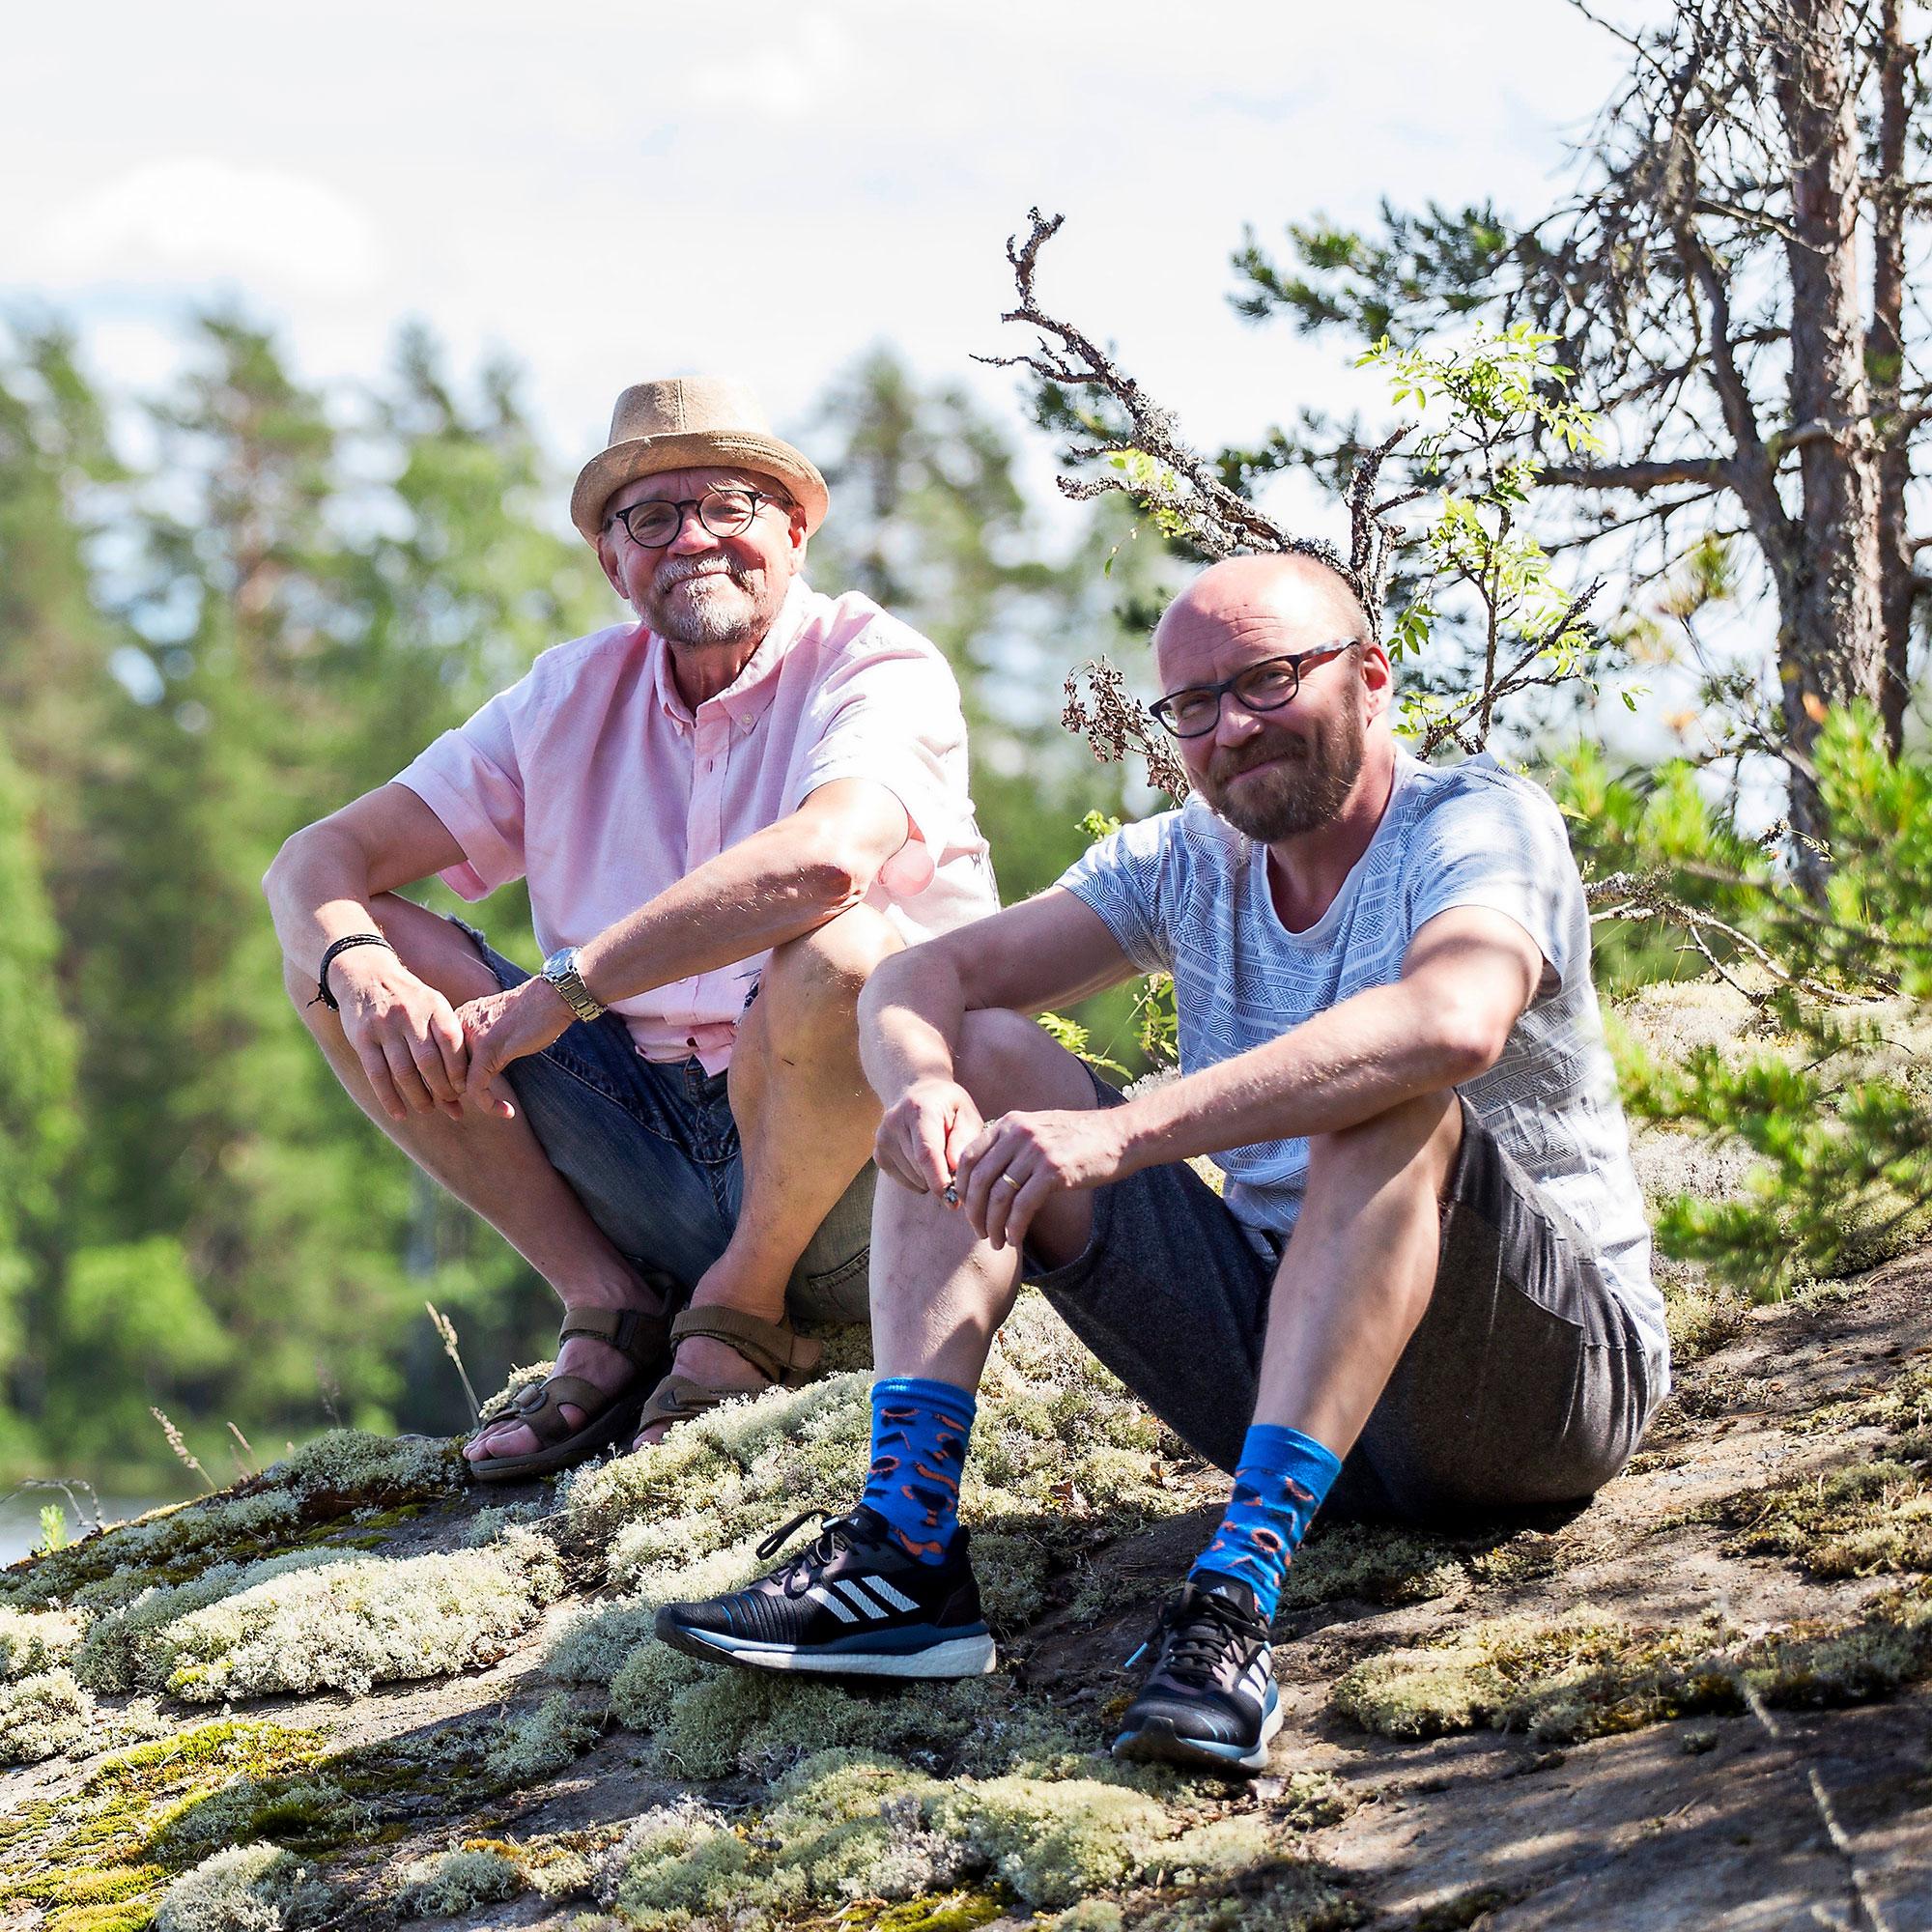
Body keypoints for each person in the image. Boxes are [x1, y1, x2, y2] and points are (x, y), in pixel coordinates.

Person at [653, 549, 1666, 1773]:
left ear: (1372, 678)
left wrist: (1125, 1128)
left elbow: (1449, 1021)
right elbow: (927, 975)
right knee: (975, 1051)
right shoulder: (1190, 855)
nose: (1230, 727)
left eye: (1267, 680)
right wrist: (920, 1083)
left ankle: (1232, 1608)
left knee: (1386, 1092)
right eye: (1193, 705)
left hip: (1529, 1392)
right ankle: (905, 1549)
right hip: (1288, 1375)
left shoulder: (1472, 821)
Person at [265, 377, 998, 1482]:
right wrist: (360, 966)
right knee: (335, 954)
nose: (692, 538)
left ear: (794, 532)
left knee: (841, 952)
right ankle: (606, 1303)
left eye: (728, 506)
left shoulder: (876, 663)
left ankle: (742, 1306)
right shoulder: (562, 694)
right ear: (614, 562)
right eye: (651, 518)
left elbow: (826, 856)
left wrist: (562, 989)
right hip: (637, 1153)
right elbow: (312, 861)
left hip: (862, 1171)